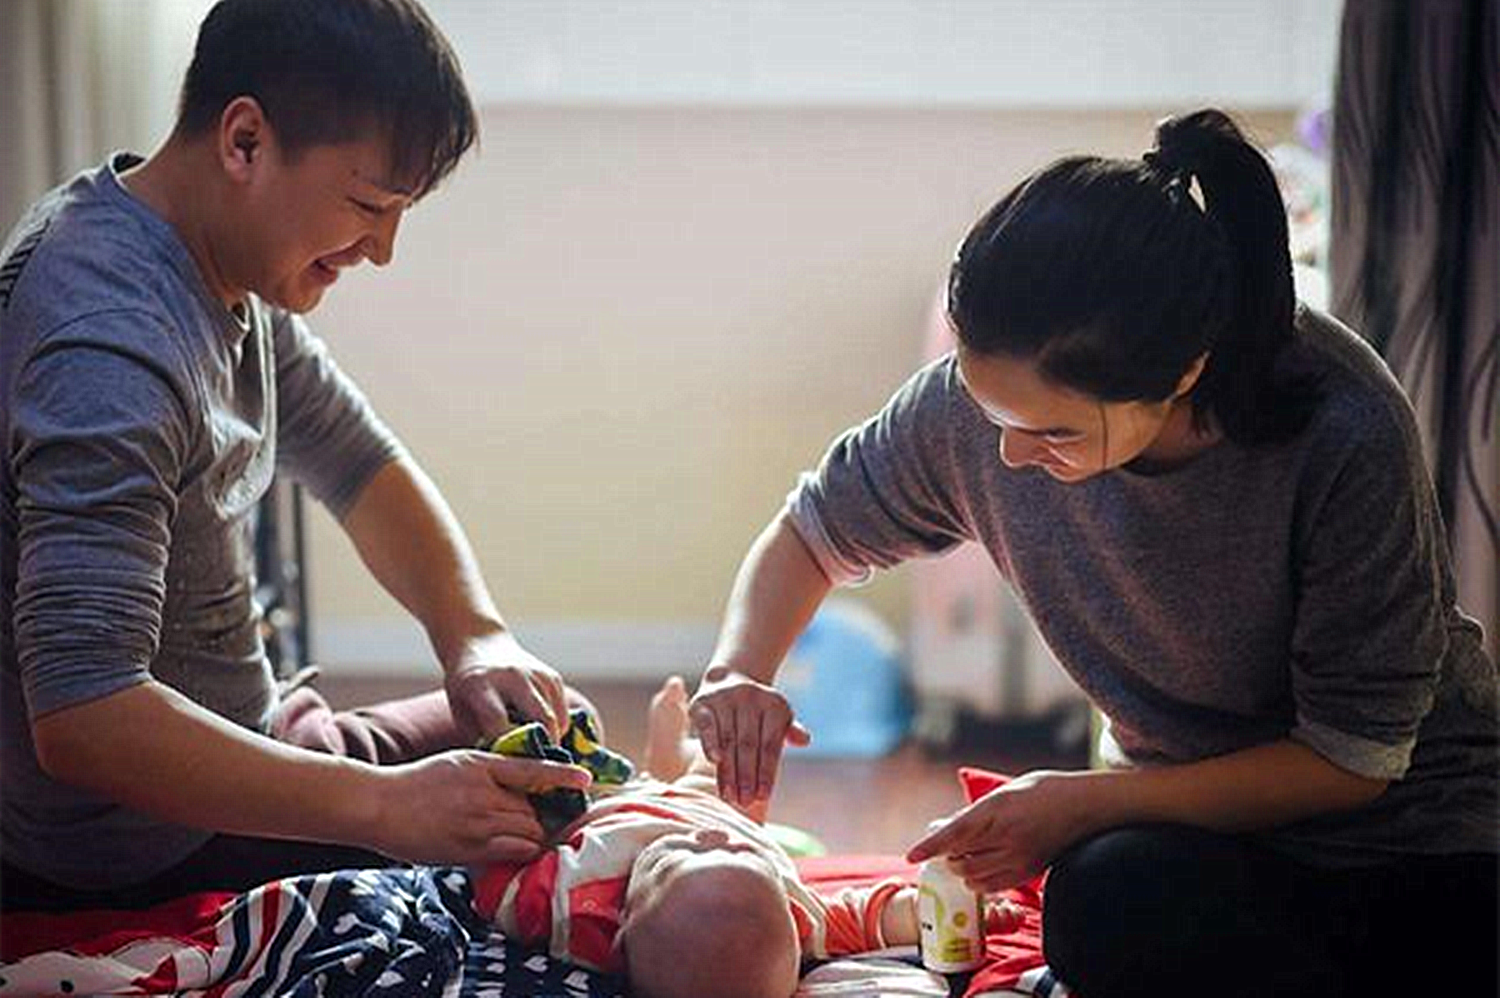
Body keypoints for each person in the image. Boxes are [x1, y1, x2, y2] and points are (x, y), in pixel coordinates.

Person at [686, 109, 1500, 995]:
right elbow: (811, 532)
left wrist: (1086, 802)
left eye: (1054, 432)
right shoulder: (981, 409)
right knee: (1106, 905)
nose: (1005, 456)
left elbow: (1352, 761)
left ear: (1184, 373)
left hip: (1409, 835)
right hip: (1199, 836)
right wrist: (739, 673)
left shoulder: (1341, 429)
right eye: (988, 411)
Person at [0, 0, 591, 913]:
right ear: (244, 141)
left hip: (259, 737)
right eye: (367, 206)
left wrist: (472, 635)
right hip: (139, 850)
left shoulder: (210, 260)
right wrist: (384, 810)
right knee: (534, 838)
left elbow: (360, 465)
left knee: (552, 742)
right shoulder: (109, 344)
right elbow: (86, 716)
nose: (383, 250)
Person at [472, 676, 1019, 998]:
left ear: (624, 927)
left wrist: (541, 818)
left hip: (616, 807)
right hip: (715, 800)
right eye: (746, 862)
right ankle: (679, 765)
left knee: (587, 740)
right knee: (732, 789)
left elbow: (496, 878)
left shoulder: (569, 906)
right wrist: (942, 914)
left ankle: (659, 768)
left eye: (676, 861)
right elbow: (863, 917)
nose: (707, 838)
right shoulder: (798, 921)